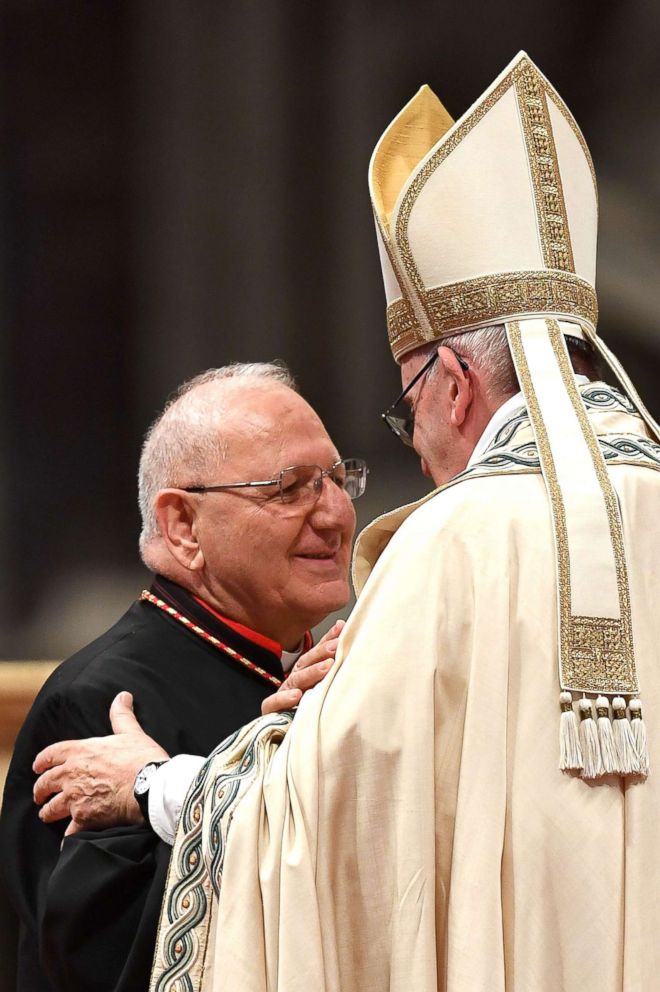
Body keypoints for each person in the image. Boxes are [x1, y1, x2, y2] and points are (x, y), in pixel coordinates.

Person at [32, 52, 660, 991]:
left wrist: (153, 785)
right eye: (288, 488)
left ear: (451, 382)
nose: (408, 452)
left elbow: (344, 833)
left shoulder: (455, 541)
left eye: (404, 407)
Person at [0, 361, 365, 992]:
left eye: (337, 480)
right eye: (289, 489)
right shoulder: (99, 704)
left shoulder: (336, 672)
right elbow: (103, 965)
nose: (334, 516)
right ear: (183, 526)